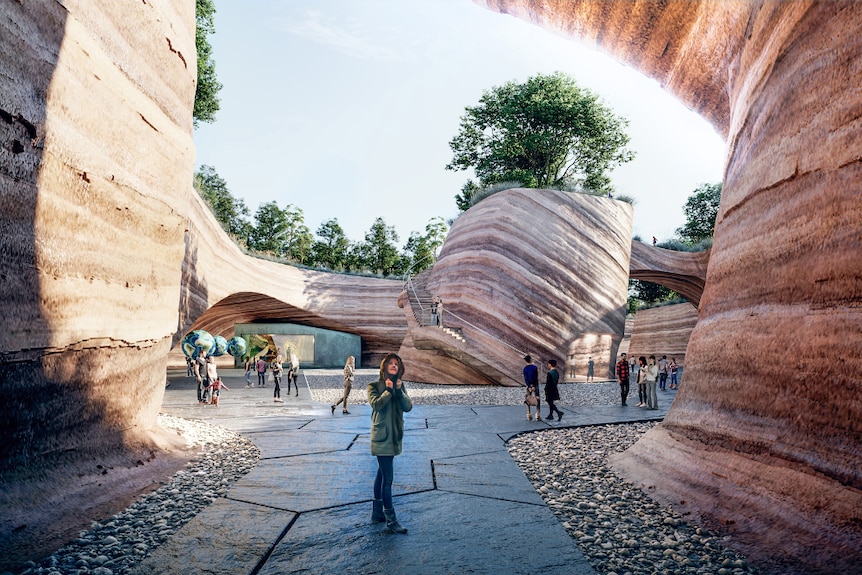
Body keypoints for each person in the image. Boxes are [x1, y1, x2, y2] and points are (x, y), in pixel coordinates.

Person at [368, 353, 413, 535]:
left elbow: (408, 407)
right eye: (391, 363)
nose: (394, 366)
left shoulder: (401, 386)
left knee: (381, 473)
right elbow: (376, 405)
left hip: (394, 437)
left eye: (397, 364)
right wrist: (387, 390)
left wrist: (399, 391)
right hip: (382, 438)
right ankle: (391, 520)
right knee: (388, 479)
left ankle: (377, 512)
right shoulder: (374, 386)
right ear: (384, 366)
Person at [522, 355, 541, 421]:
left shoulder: (525, 369)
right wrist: (533, 386)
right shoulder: (534, 367)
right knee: (537, 398)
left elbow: (526, 378)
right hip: (535, 385)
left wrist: (529, 385)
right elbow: (535, 377)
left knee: (528, 399)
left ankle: (529, 414)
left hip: (528, 386)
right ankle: (537, 414)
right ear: (531, 359)